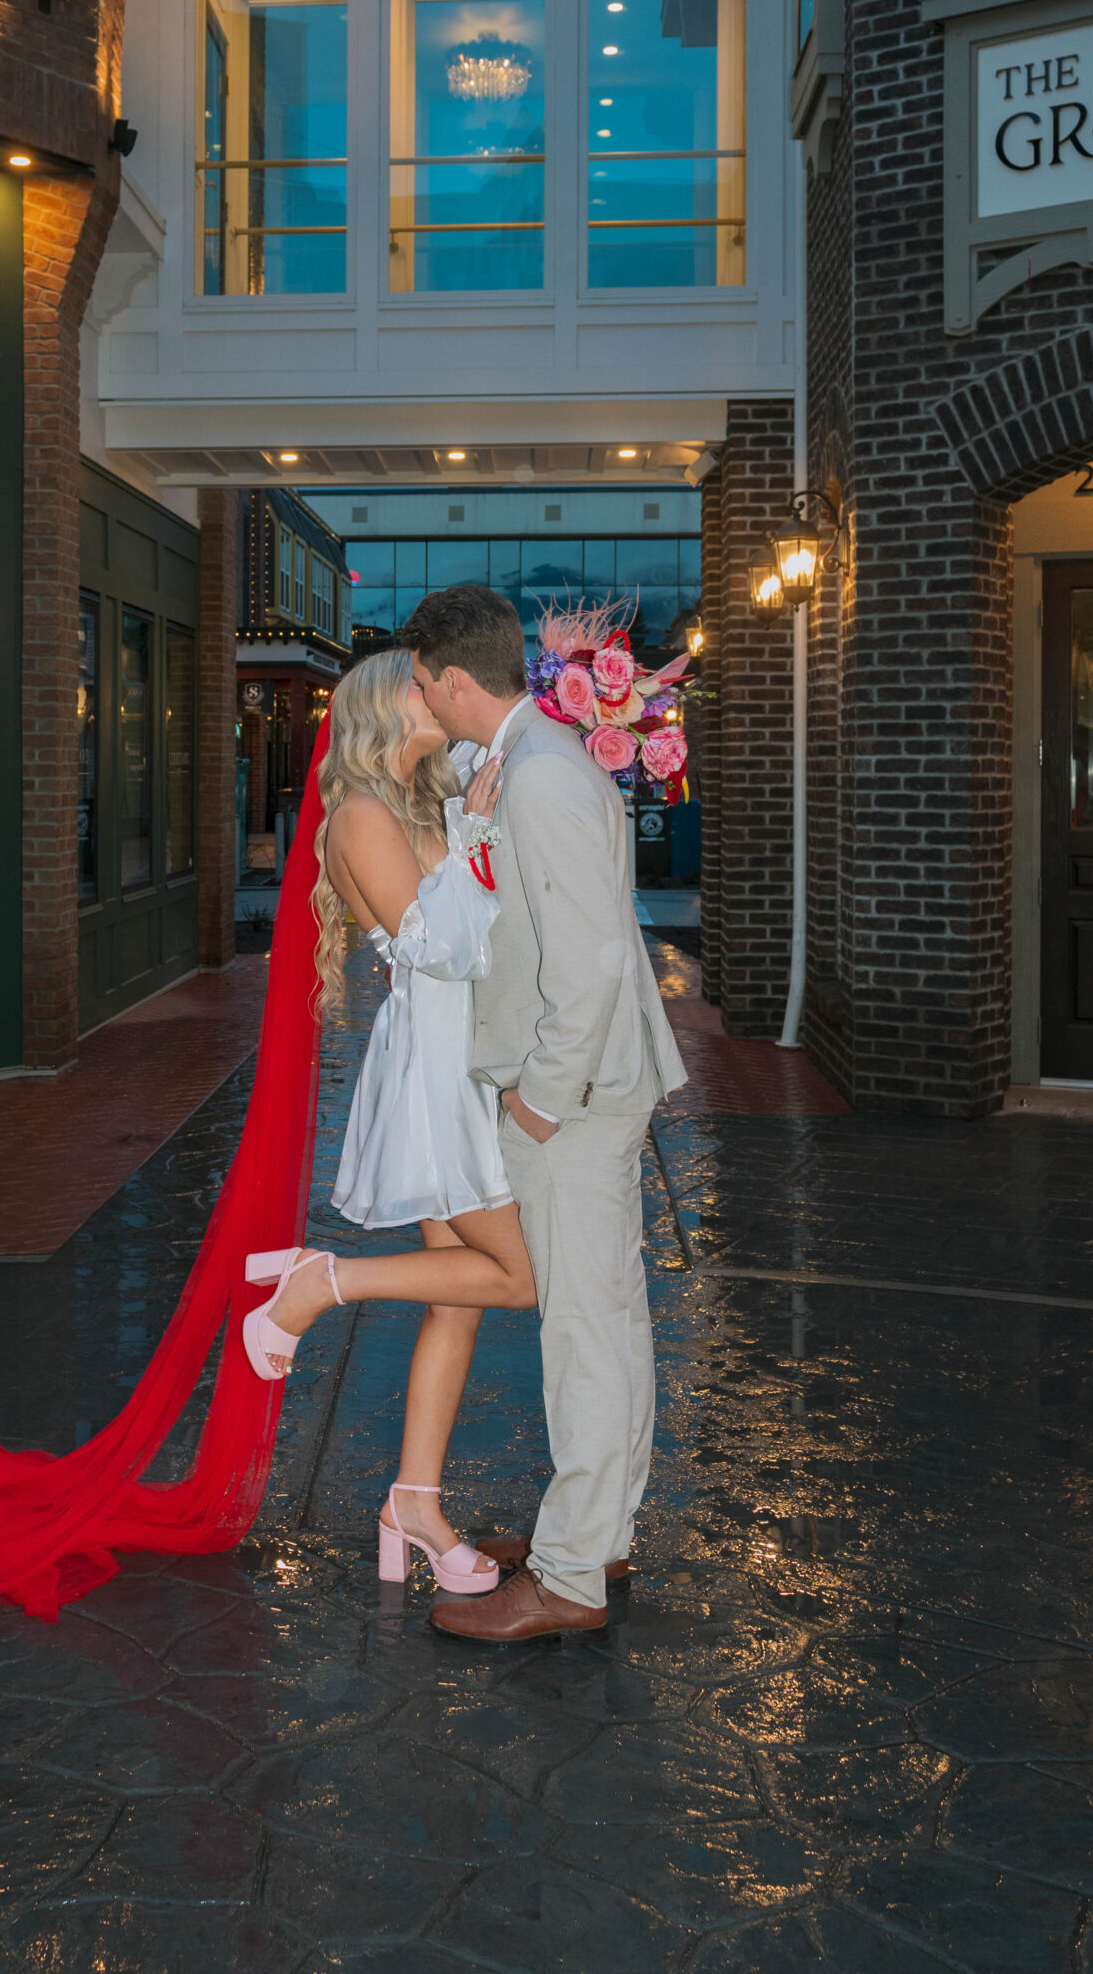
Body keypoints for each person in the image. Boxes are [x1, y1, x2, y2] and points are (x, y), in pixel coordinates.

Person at [407, 580, 686, 1642]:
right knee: (603, 1321)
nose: (421, 697)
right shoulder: (527, 767)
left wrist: (537, 1101)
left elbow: (599, 959)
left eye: (425, 681)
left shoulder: (542, 778)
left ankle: (571, 1576)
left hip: (575, 1102)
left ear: (455, 677)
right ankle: (597, 1530)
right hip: (584, 1094)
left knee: (584, 1333)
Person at [239, 649, 538, 1595]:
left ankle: (412, 1501)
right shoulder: (362, 814)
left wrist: (477, 824)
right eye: (422, 683)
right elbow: (437, 949)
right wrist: (480, 827)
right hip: (439, 1064)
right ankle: (322, 1282)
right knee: (519, 1279)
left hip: (466, 1053)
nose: (440, 690)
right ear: (383, 706)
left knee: (460, 1295)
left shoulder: (419, 805)